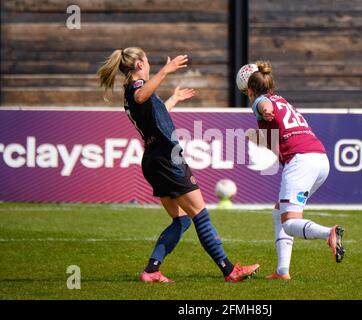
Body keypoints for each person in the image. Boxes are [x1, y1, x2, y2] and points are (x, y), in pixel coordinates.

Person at [97, 47, 259, 283]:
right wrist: (166, 70)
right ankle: (229, 270)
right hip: (166, 159)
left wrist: (173, 99)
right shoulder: (136, 89)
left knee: (182, 219)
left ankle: (152, 270)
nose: (151, 64)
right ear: (140, 64)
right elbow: (141, 95)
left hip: (154, 160)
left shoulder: (132, 92)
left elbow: (154, 114)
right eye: (148, 59)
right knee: (201, 216)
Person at [243, 61, 345, 280]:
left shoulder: (262, 101)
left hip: (301, 162)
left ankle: (328, 233)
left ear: (250, 91)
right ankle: (282, 271)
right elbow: (277, 144)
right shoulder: (283, 101)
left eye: (249, 93)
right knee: (279, 211)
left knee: (289, 223)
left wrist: (264, 111)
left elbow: (263, 106)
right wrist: (259, 138)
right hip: (320, 159)